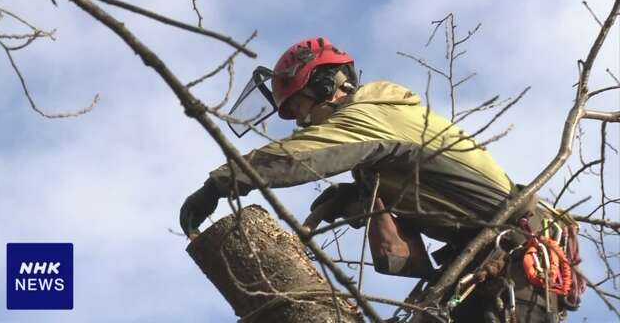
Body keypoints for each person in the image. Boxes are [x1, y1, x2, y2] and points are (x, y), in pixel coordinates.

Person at [180, 37, 570, 322]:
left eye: (300, 108)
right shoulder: (380, 132)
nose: (300, 123)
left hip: (513, 264)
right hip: (482, 265)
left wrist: (221, 182)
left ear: (325, 87)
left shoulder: (368, 115)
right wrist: (354, 197)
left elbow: (302, 154)